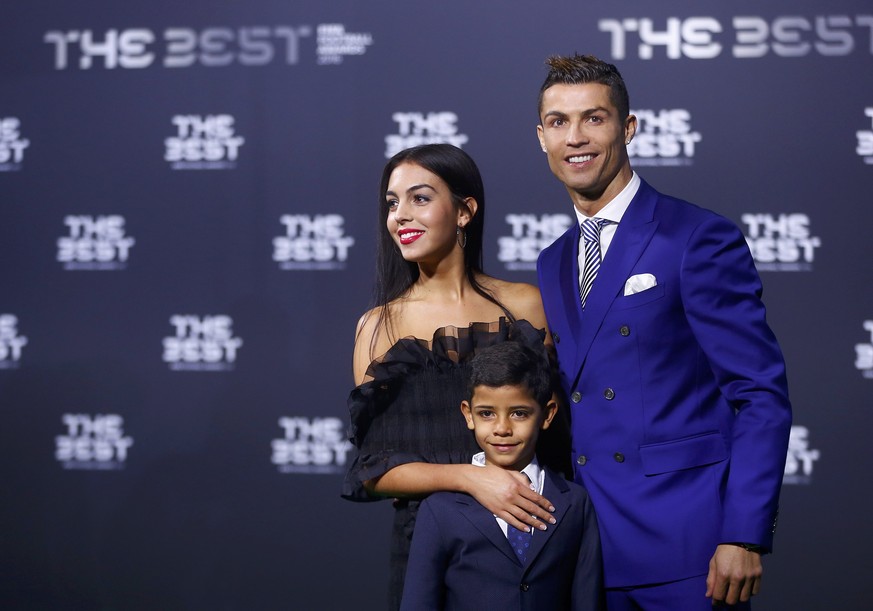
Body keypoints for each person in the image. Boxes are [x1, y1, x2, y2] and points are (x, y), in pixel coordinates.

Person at [533, 54, 792, 609]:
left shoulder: (695, 237)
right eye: (558, 122)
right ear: (541, 137)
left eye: (593, 118)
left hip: (688, 551)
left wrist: (743, 532)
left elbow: (759, 394)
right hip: (583, 548)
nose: (575, 137)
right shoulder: (552, 261)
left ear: (628, 129)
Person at [342, 143, 567, 610]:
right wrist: (472, 478)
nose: (400, 215)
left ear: (465, 212)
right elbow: (373, 472)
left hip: (533, 536)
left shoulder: (525, 305)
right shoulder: (378, 325)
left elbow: (560, 431)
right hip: (431, 549)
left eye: (419, 198)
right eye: (392, 203)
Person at [400, 340, 603, 611]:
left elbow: (587, 600)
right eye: (487, 413)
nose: (502, 428)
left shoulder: (575, 503)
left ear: (547, 414)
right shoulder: (439, 510)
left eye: (519, 413)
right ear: (468, 415)